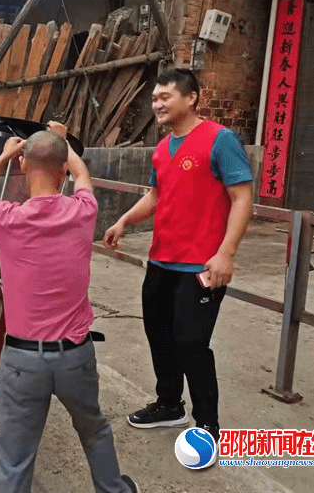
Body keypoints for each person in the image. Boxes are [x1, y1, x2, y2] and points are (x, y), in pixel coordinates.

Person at [0, 122, 137, 493]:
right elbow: (82, 174)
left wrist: (6, 155)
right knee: (94, 430)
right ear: (62, 171)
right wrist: (60, 142)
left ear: (25, 167)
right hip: (75, 356)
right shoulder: (83, 212)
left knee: (15, 455)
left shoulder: (7, 218)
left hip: (23, 361)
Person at [104, 69, 253, 444]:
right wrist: (123, 220)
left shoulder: (220, 140)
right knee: (160, 336)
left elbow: (242, 198)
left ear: (192, 99)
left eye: (165, 97)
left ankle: (207, 426)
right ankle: (169, 404)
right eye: (155, 98)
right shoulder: (162, 148)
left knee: (191, 344)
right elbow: (155, 196)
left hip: (200, 266)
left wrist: (226, 254)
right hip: (161, 261)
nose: (157, 104)